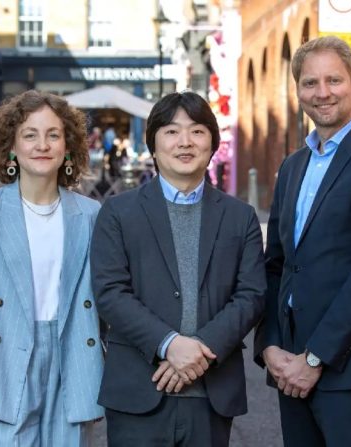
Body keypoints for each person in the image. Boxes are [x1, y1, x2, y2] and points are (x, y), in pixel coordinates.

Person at [254, 36, 351, 447]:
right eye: (310, 82)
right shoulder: (293, 166)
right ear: (298, 91)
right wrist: (270, 343)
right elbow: (277, 264)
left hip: (347, 368)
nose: (322, 92)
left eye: (334, 80)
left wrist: (315, 358)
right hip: (289, 365)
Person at [91, 91, 266, 446]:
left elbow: (251, 295)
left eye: (197, 131)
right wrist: (168, 344)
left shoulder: (240, 216)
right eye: (171, 131)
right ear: (153, 146)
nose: (185, 142)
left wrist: (200, 348)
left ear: (212, 144)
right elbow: (110, 292)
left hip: (211, 395)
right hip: (139, 390)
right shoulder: (118, 212)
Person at [0, 90, 104, 446]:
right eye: (30, 135)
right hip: (5, 359)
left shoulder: (90, 214)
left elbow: (106, 300)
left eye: (53, 135)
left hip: (73, 358)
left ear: (68, 147)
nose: (42, 145)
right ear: (12, 147)